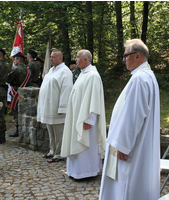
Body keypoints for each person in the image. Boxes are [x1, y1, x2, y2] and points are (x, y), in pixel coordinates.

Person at [99, 39, 160, 200]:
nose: (124, 59)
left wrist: (122, 145)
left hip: (131, 149)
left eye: (126, 55)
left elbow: (133, 116)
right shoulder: (147, 75)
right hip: (141, 143)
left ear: (137, 56)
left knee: (126, 186)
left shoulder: (140, 79)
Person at [61, 50, 106, 180]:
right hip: (77, 117)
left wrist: (89, 120)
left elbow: (93, 99)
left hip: (85, 120)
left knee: (85, 147)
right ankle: (75, 171)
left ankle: (86, 172)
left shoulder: (92, 76)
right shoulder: (83, 74)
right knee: (75, 143)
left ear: (85, 60)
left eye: (77, 57)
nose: (75, 59)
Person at [37, 49, 73, 163]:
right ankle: (52, 150)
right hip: (48, 106)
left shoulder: (65, 71)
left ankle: (59, 153)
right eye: (51, 57)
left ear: (60, 58)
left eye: (53, 57)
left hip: (57, 107)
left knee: (59, 132)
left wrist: (63, 107)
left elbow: (66, 90)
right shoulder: (51, 70)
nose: (51, 59)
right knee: (51, 131)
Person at [7, 53, 30, 137]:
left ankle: (18, 129)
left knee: (16, 111)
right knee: (24, 111)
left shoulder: (16, 70)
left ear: (19, 60)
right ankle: (24, 127)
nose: (14, 61)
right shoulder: (27, 70)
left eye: (15, 59)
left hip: (16, 92)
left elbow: (9, 79)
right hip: (24, 92)